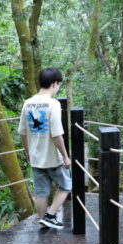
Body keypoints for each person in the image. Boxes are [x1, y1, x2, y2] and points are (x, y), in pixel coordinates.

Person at [18, 67, 71, 229]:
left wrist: (28, 153)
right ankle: (50, 215)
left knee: (41, 193)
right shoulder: (53, 104)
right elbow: (56, 135)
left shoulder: (28, 103)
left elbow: (22, 132)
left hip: (36, 158)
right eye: (59, 84)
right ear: (55, 84)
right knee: (66, 185)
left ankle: (43, 222)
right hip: (53, 158)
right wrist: (66, 156)